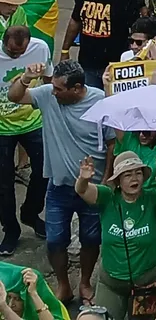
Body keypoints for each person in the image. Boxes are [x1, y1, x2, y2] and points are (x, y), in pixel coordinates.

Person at [8, 59, 114, 305]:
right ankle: (64, 285)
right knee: (55, 240)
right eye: (53, 87)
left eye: (59, 89)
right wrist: (25, 78)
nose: (53, 91)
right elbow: (15, 97)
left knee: (91, 239)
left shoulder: (100, 101)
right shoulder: (48, 95)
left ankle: (85, 282)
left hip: (93, 189)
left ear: (77, 88)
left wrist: (108, 177)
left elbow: (112, 143)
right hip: (58, 186)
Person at [75, 149, 156, 320]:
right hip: (111, 282)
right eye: (128, 174)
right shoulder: (108, 197)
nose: (134, 178)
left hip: (146, 283)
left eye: (138, 173)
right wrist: (84, 178)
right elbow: (83, 191)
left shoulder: (151, 199)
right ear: (118, 180)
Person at [0, 25, 49, 255]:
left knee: (44, 172)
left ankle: (30, 213)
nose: (17, 56)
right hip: (2, 127)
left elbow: (50, 80)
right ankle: (10, 229)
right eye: (12, 52)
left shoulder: (40, 49)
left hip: (33, 120)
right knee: (4, 183)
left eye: (21, 52)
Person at [61, 0, 139, 89]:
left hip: (114, 65)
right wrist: (64, 49)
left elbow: (136, 31)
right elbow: (75, 22)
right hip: (87, 63)